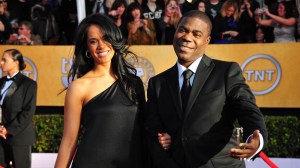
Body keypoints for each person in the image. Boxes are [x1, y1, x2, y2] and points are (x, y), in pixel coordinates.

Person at [145, 10, 268, 168]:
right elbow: (152, 128)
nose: (187, 37)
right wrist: (160, 137)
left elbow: (247, 108)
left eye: (196, 34)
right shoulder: (158, 83)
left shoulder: (226, 72)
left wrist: (256, 138)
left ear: (207, 41)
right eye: (182, 30)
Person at [54, 13, 148, 168]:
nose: (101, 46)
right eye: (93, 41)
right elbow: (69, 140)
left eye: (105, 38)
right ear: (87, 48)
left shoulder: (133, 83)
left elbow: (145, 128)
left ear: (114, 38)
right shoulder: (79, 87)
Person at [0, 49, 37, 168]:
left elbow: (28, 112)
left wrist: (8, 129)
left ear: (16, 62)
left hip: (19, 137)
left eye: (4, 60)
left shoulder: (28, 84)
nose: (1, 63)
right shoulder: (0, 82)